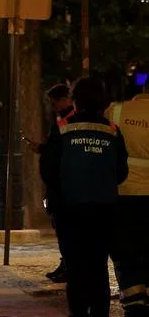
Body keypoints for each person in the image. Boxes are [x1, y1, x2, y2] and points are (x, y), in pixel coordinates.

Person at [40, 75, 129, 317]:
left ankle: (78, 312)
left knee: (76, 266)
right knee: (98, 266)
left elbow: (48, 169)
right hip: (103, 208)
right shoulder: (112, 131)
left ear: (76, 100)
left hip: (70, 209)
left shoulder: (62, 128)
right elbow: (121, 171)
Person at [106, 69, 149, 317]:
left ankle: (133, 300)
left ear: (143, 88)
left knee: (125, 248)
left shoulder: (116, 111)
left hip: (123, 192)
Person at [35, 83, 76, 283]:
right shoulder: (61, 120)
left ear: (66, 99)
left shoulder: (68, 121)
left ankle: (69, 266)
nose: (53, 107)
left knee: (66, 230)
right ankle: (66, 263)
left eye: (55, 103)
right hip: (58, 185)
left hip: (62, 186)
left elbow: (60, 152)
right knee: (62, 230)